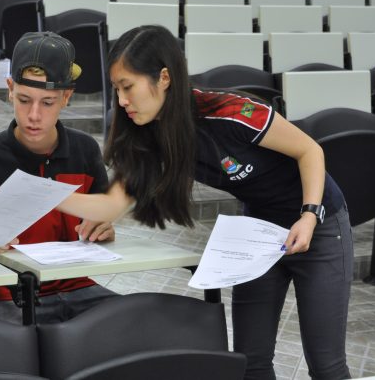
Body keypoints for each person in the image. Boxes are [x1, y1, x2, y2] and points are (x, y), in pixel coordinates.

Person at [57, 25, 353, 380]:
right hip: (260, 231)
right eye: (117, 89)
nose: (121, 100)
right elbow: (110, 205)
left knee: (326, 366)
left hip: (319, 223)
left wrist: (309, 215)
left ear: (164, 77)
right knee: (251, 362)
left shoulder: (231, 112)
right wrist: (49, 199)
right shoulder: (151, 130)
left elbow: (310, 151)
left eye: (128, 87)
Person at [0, 31, 118, 324]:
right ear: (10, 90)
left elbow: (100, 223)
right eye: (24, 99)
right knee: (21, 337)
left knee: (128, 319)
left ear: (66, 97)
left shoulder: (85, 151)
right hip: (2, 292)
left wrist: (103, 229)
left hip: (73, 285)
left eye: (48, 102)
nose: (34, 115)